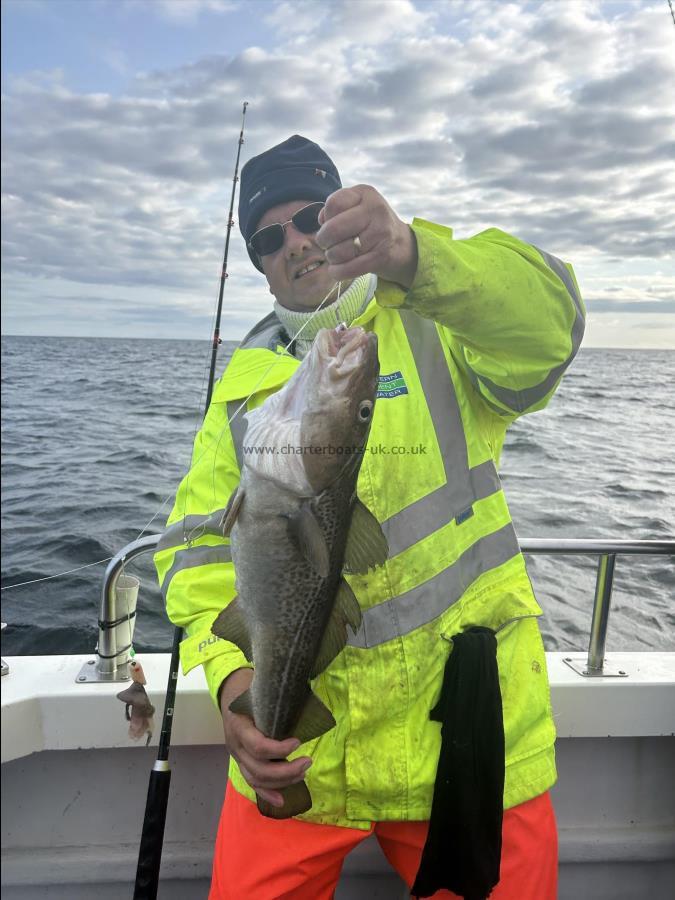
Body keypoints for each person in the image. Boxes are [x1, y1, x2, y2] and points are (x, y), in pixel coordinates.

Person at [154, 134, 584, 899]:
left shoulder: (441, 325)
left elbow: (551, 323)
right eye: (266, 236)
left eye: (310, 215)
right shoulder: (242, 391)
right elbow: (191, 560)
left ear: (340, 214)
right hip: (297, 744)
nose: (294, 241)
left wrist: (413, 255)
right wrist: (233, 688)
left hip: (465, 737)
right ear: (256, 262)